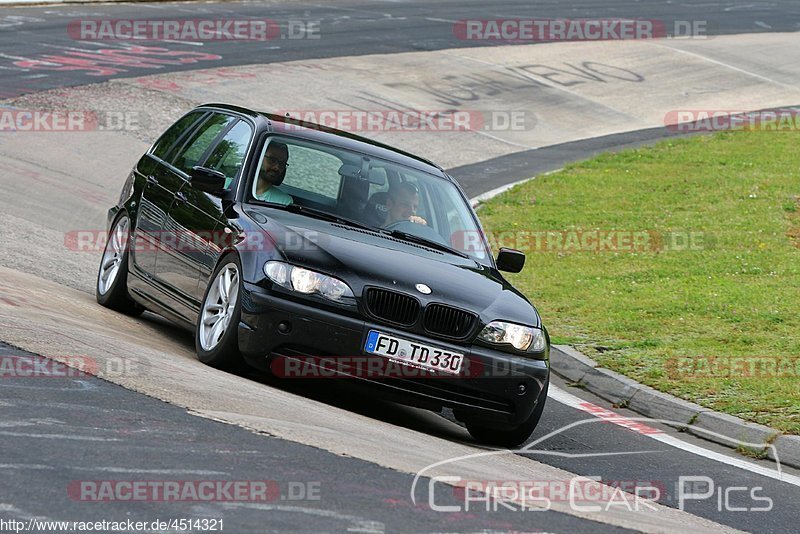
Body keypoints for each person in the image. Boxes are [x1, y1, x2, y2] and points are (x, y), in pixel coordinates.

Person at [254, 141, 293, 205]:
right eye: (272, 160)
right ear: (259, 157)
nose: (277, 167)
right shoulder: (233, 184)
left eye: (282, 163)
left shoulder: (284, 201)